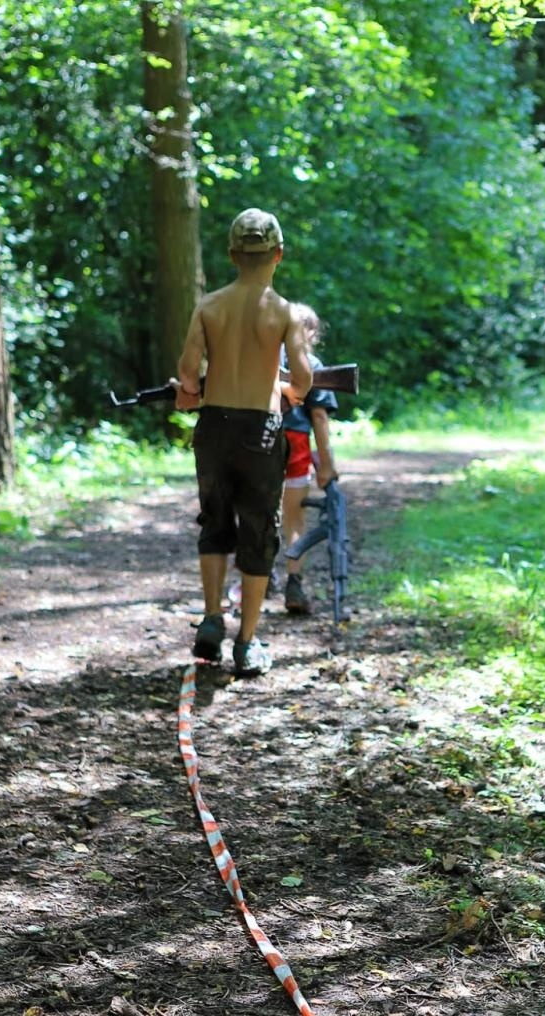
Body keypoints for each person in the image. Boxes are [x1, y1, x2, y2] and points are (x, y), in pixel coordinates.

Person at [174, 207, 313, 677]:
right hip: (262, 432)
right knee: (259, 532)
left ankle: (213, 617)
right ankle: (247, 644)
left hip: (214, 428)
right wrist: (289, 390)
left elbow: (189, 374)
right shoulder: (284, 312)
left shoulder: (209, 306)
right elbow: (304, 377)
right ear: (278, 254)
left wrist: (190, 394)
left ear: (233, 255)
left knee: (214, 522)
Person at [277, 304, 339, 616]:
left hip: (256, 440)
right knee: (294, 519)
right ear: (312, 333)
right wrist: (326, 463)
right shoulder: (311, 364)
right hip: (295, 442)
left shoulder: (262, 360)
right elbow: (318, 416)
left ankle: (251, 583)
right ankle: (294, 581)